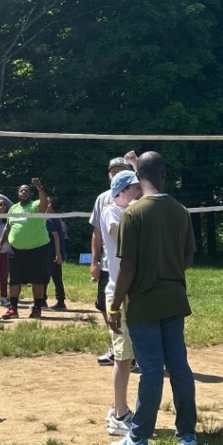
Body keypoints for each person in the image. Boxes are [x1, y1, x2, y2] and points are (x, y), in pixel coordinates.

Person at [108, 151, 198, 445]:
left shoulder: (132, 214)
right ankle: (187, 436)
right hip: (174, 299)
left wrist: (115, 304)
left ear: (138, 177)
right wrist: (169, 273)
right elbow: (188, 257)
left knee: (149, 371)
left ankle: (139, 440)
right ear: (163, 174)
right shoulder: (181, 211)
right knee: (179, 368)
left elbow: (128, 267)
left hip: (143, 304)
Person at [100, 170, 143, 435]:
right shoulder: (112, 212)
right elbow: (120, 237)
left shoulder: (129, 209)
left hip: (132, 291)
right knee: (123, 357)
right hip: (118, 293)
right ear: (123, 191)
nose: (141, 192)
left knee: (128, 357)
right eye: (136, 188)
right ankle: (119, 415)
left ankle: (119, 408)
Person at [91, 156, 137, 364]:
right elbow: (97, 232)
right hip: (109, 263)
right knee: (106, 306)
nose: (116, 173)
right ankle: (116, 346)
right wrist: (94, 261)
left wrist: (136, 164)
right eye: (113, 171)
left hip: (128, 266)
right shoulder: (103, 200)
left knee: (129, 310)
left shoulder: (135, 197)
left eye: (121, 170)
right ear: (108, 174)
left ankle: (132, 352)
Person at [0, 178, 51, 319]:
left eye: (26, 190)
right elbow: (8, 227)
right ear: (18, 193)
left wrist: (40, 187)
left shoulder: (35, 205)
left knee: (37, 280)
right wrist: (0, 243)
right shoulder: (13, 208)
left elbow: (45, 203)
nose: (23, 192)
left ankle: (37, 308)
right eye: (21, 190)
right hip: (15, 250)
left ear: (31, 193)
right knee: (14, 280)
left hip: (37, 249)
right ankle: (13, 309)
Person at [45, 196, 68, 309]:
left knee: (44, 277)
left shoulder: (48, 219)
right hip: (56, 252)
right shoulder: (56, 218)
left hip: (51, 253)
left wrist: (57, 254)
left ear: (49, 205)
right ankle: (61, 301)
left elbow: (56, 236)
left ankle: (42, 301)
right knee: (57, 277)